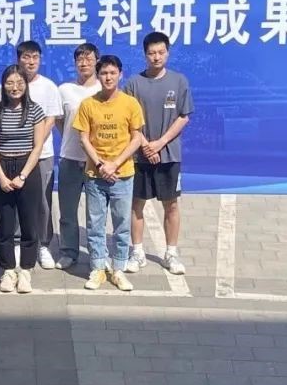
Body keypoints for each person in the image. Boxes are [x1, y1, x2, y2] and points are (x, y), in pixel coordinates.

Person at [73, 55, 145, 292]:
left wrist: (114, 164)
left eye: (113, 73)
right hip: (95, 175)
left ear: (120, 75)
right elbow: (84, 138)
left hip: (123, 174)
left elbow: (136, 138)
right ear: (98, 75)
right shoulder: (88, 104)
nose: (108, 77)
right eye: (104, 73)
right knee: (95, 223)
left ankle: (119, 269)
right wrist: (100, 164)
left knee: (122, 223)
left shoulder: (130, 104)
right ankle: (97, 268)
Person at [125, 32, 195, 276]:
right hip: (139, 156)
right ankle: (137, 252)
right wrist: (146, 146)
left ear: (168, 53)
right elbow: (129, 121)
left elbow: (183, 117)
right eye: (151, 53)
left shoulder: (179, 81)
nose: (156, 57)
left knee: (171, 205)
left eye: (161, 52)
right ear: (145, 55)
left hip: (169, 155)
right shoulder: (134, 83)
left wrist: (160, 143)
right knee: (136, 204)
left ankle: (171, 253)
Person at [0, 41, 61, 270]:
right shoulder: (5, 87)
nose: (31, 62)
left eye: (35, 57)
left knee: (41, 202)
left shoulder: (49, 86)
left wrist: (35, 141)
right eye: (26, 57)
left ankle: (43, 244)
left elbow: (51, 119)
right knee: (13, 201)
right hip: (11, 156)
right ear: (18, 59)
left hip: (42, 154)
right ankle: (16, 242)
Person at [0, 65, 45, 294]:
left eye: (19, 82)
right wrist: (1, 176)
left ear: (26, 85)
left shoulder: (35, 110)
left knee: (30, 223)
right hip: (2, 166)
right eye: (10, 83)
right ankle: (8, 270)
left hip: (27, 168)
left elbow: (37, 146)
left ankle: (26, 270)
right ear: (3, 85)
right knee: (5, 224)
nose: (15, 87)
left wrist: (22, 176)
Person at [55, 43, 100, 270]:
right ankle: (68, 252)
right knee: (67, 211)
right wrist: (69, 137)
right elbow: (59, 120)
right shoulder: (65, 89)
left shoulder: (103, 88)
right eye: (80, 60)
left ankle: (96, 254)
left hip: (97, 161)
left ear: (96, 61)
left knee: (96, 213)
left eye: (88, 59)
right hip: (69, 158)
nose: (84, 63)